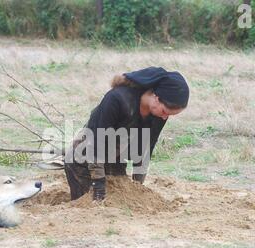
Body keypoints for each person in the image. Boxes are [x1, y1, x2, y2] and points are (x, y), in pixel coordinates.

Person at [64, 66, 190, 201]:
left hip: (114, 160)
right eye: (165, 111)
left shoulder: (158, 115)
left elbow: (145, 149)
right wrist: (99, 185)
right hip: (84, 159)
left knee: (121, 202)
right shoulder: (117, 99)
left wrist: (138, 186)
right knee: (90, 204)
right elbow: (95, 144)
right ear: (156, 97)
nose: (165, 117)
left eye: (169, 115)